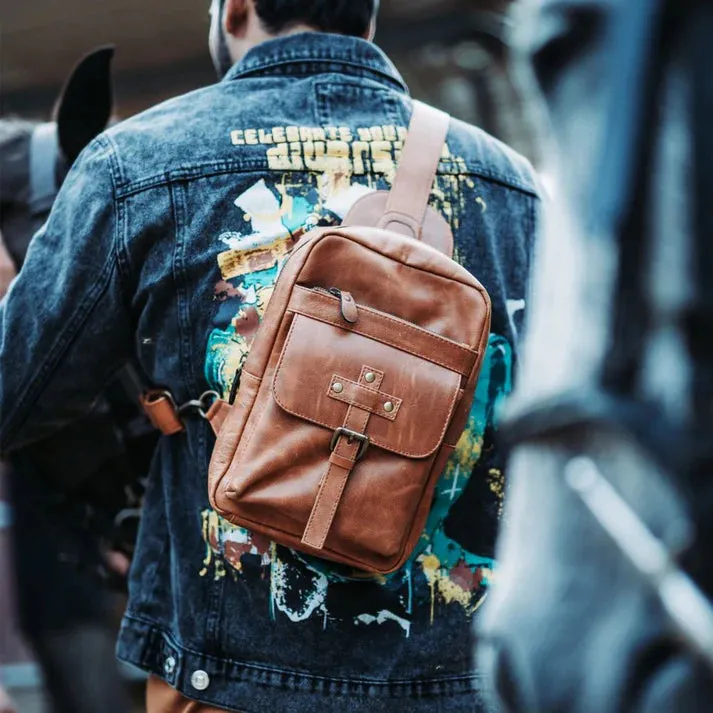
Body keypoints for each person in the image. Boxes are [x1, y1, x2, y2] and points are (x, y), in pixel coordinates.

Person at [0, 1, 539, 711]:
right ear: (368, 14)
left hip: (227, 678)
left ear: (239, 8)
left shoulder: (136, 162)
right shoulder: (507, 181)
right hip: (458, 678)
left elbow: (16, 391)